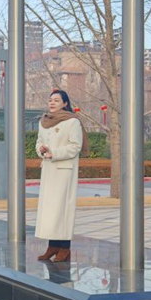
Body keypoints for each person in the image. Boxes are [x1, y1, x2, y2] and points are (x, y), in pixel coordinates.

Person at [35, 90, 88, 263]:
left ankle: (64, 248)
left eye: (56, 100)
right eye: (50, 100)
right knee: (51, 211)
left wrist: (54, 152)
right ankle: (53, 246)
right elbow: (39, 141)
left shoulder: (72, 121)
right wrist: (41, 149)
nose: (52, 103)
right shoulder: (44, 121)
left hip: (64, 170)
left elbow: (75, 146)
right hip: (48, 169)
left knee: (62, 210)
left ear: (65, 103)